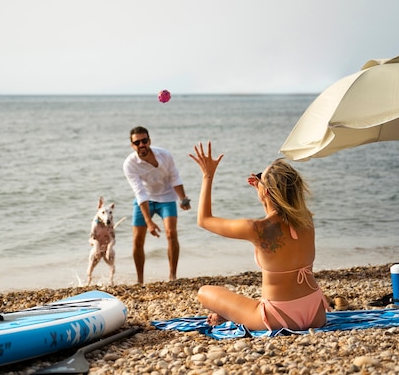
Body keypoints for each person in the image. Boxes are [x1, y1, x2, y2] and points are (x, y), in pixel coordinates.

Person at [189, 141, 329, 331]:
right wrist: (265, 193)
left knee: (205, 292)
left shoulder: (257, 229)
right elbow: (280, 213)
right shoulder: (306, 220)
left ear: (267, 191)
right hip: (316, 312)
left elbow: (204, 220)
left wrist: (208, 175)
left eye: (261, 178)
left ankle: (230, 314)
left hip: (276, 317)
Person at [123, 126, 191, 284]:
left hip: (167, 198)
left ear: (149, 141)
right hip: (144, 200)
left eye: (144, 141)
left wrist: (183, 198)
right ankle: (140, 280)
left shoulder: (165, 155)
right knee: (137, 240)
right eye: (137, 142)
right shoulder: (130, 164)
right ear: (132, 145)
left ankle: (172, 276)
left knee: (171, 233)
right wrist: (149, 222)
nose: (141, 145)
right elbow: (139, 192)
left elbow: (175, 177)